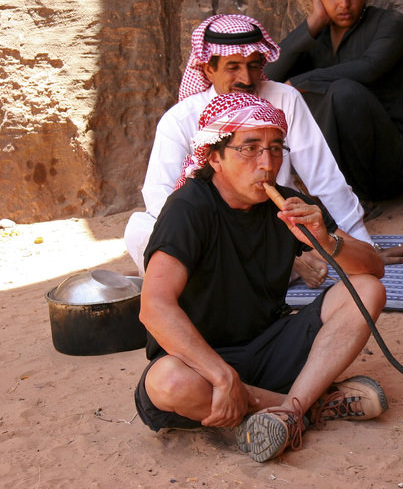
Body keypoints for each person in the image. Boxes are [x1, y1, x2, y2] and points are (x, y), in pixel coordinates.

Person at [135, 92, 388, 462]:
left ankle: (285, 413)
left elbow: (372, 268)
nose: (266, 163)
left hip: (269, 348)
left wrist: (325, 240)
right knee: (167, 382)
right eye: (249, 148)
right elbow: (153, 307)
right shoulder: (190, 207)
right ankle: (311, 407)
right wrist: (222, 377)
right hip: (200, 367)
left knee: (366, 290)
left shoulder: (286, 203)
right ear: (215, 157)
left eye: (275, 149)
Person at [124, 14, 403, 278]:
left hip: (271, 229)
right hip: (207, 234)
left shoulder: (284, 99)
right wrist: (215, 238)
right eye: (233, 67)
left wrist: (362, 246)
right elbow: (159, 196)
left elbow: (324, 177)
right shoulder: (181, 119)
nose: (247, 78)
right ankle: (261, 273)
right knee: (140, 229)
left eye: (254, 66)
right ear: (208, 69)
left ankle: (267, 272)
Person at [265, 0, 403, 206]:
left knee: (342, 91)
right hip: (338, 168)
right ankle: (326, 195)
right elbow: (268, 74)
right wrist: (314, 22)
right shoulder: (316, 38)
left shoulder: (390, 24)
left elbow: (369, 68)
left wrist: (301, 82)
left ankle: (349, 202)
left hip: (393, 165)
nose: (344, 4)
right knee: (290, 98)